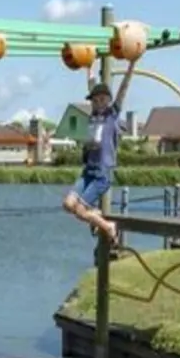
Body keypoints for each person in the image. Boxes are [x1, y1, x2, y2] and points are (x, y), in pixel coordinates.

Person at [62, 61, 137, 244]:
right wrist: (88, 67)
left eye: (102, 100)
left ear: (109, 100)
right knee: (68, 204)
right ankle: (95, 215)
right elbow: (91, 84)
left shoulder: (111, 115)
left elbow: (123, 90)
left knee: (80, 210)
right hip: (88, 171)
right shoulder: (92, 116)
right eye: (95, 101)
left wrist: (131, 66)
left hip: (102, 174)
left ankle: (108, 227)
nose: (99, 103)